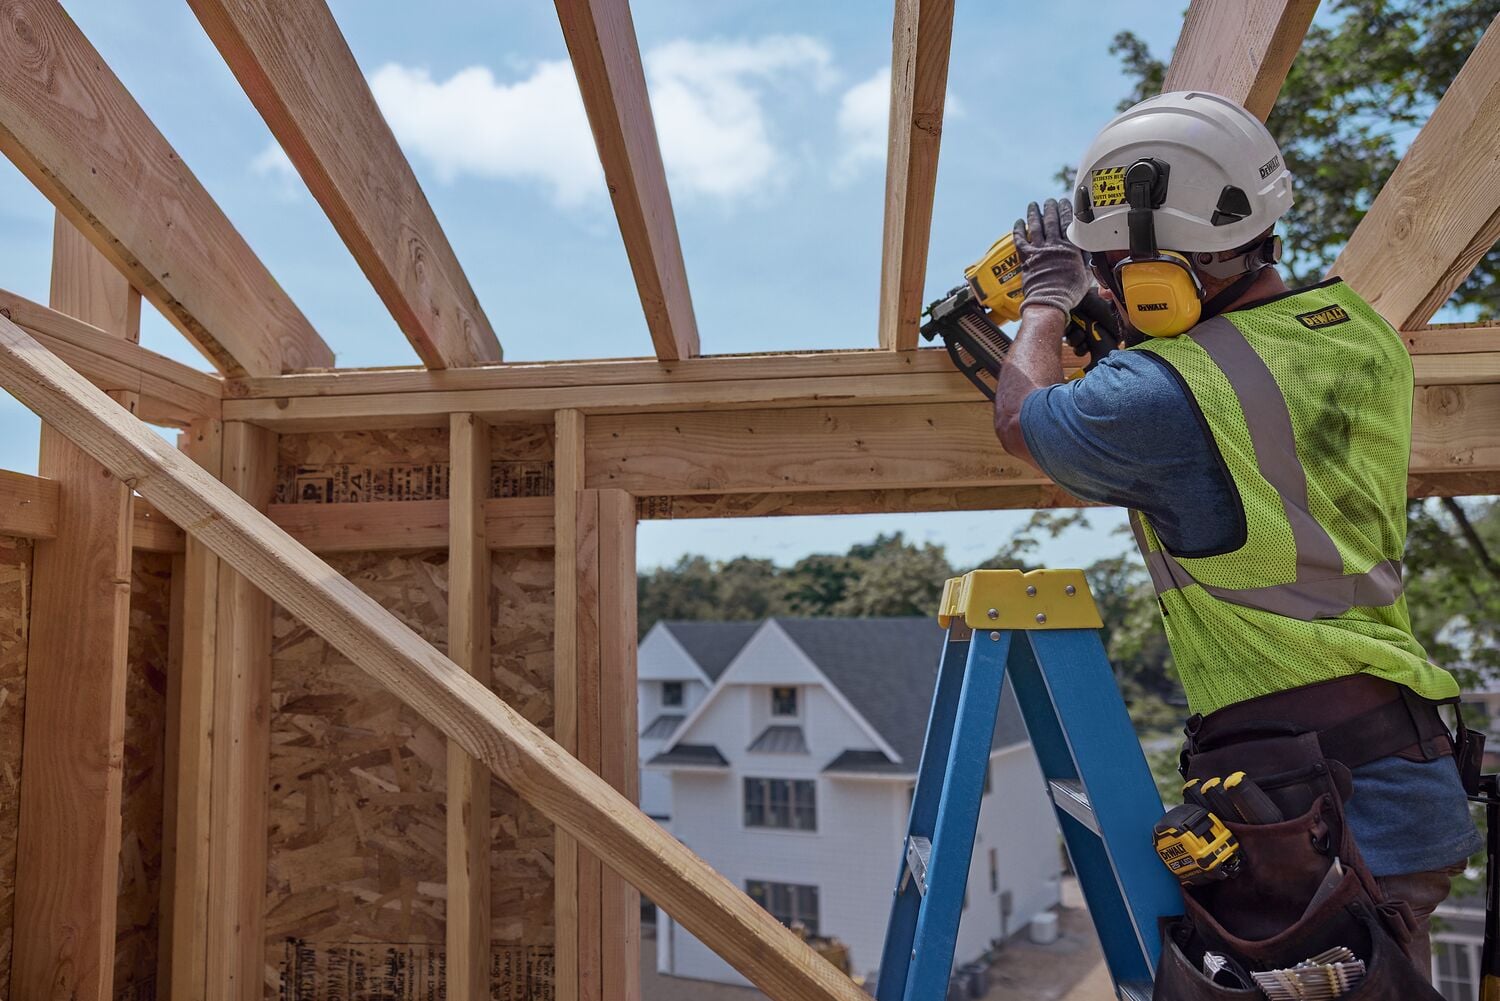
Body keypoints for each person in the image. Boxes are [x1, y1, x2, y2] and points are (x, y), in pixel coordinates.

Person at [991, 91, 1480, 984]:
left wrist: (1047, 307)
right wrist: (1133, 343)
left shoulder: (1158, 392)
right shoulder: (1360, 333)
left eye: (1110, 272)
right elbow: (1241, 398)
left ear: (1152, 272)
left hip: (1323, 814)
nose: (1106, 288)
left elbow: (1026, 422)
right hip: (1401, 776)